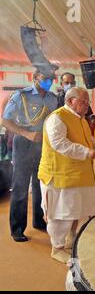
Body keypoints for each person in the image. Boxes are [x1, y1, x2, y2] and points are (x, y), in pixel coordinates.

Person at [38, 87, 95, 263]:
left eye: (88, 101)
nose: (87, 105)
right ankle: (57, 247)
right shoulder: (57, 118)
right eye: (83, 101)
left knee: (76, 210)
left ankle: (71, 239)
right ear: (70, 101)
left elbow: (88, 138)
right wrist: (87, 152)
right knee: (60, 214)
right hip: (59, 175)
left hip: (80, 174)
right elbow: (60, 144)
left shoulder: (81, 119)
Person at [1, 71, 58, 242]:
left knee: (40, 183)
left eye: (51, 79)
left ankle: (39, 221)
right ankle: (17, 228)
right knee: (20, 186)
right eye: (44, 79)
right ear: (35, 79)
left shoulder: (53, 98)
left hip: (44, 143)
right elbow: (5, 120)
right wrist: (26, 134)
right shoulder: (21, 95)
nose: (48, 82)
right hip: (24, 142)